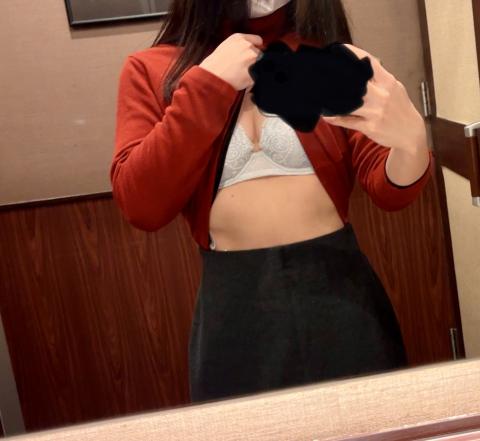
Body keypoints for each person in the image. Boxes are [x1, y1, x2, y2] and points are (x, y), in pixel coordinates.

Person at [111, 0, 435, 403]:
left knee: (369, 421)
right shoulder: (152, 69)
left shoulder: (326, 55)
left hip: (339, 291)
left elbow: (388, 187)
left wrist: (411, 143)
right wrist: (208, 84)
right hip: (232, 304)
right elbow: (142, 205)